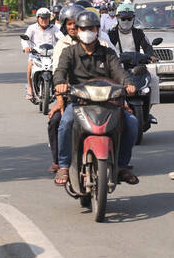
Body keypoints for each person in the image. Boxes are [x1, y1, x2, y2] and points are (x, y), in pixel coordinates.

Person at [53, 10, 140, 186]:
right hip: (79, 102)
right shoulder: (69, 53)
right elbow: (60, 71)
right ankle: (63, 164)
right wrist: (60, 83)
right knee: (65, 123)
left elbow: (119, 72)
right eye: (84, 28)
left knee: (132, 123)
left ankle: (122, 166)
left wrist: (127, 83)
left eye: (91, 28)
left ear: (98, 30)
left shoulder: (108, 53)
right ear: (77, 30)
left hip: (109, 103)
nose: (87, 31)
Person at [107, 2, 161, 124]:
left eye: (129, 18)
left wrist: (151, 56)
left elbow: (147, 46)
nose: (126, 21)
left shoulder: (139, 33)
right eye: (123, 18)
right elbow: (107, 48)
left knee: (154, 79)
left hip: (137, 66)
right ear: (117, 18)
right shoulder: (111, 34)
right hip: (118, 66)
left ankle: (147, 111)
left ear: (133, 19)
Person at [21, 7, 63, 101]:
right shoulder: (32, 28)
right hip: (36, 54)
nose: (44, 20)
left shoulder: (54, 28)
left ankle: (60, 90)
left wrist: (65, 44)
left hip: (51, 55)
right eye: (42, 18)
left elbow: (61, 37)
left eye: (46, 18)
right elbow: (25, 39)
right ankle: (30, 89)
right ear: (38, 18)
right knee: (30, 66)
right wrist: (26, 48)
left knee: (61, 69)